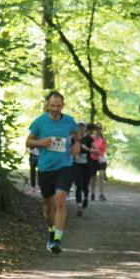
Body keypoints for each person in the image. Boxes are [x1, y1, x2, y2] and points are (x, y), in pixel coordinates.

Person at [26, 91, 79, 253]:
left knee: (61, 200)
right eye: (53, 105)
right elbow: (28, 142)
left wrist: (76, 144)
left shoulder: (69, 121)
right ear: (48, 105)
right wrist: (42, 142)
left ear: (63, 105)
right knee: (48, 205)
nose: (56, 109)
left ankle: (57, 239)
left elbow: (77, 134)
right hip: (45, 167)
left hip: (65, 166)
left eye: (59, 106)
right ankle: (51, 232)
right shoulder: (39, 122)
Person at [71, 122, 94, 216]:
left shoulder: (89, 138)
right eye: (79, 126)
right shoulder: (73, 138)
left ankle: (86, 198)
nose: (80, 128)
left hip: (87, 165)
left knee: (85, 185)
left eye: (82, 126)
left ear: (85, 128)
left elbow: (96, 150)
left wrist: (87, 149)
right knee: (79, 185)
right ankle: (79, 206)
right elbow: (69, 150)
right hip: (76, 165)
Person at [90, 123, 108, 201]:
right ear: (94, 130)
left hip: (101, 159)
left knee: (101, 175)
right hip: (92, 158)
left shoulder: (103, 139)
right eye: (96, 128)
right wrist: (93, 151)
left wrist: (102, 153)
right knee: (93, 177)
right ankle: (92, 193)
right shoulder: (91, 138)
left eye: (99, 128)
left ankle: (101, 193)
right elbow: (88, 147)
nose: (98, 130)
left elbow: (105, 149)